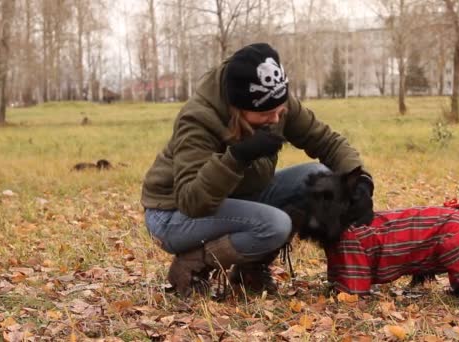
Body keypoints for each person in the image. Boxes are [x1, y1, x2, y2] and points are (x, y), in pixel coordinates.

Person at [141, 42, 374, 297]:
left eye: (280, 110)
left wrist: (359, 182)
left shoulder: (274, 100)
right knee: (274, 225)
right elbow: (192, 201)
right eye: (266, 114)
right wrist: (237, 157)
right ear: (238, 108)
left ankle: (249, 270)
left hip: (233, 196)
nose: (276, 119)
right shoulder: (198, 120)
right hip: (172, 214)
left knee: (318, 180)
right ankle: (193, 262)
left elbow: (326, 141)